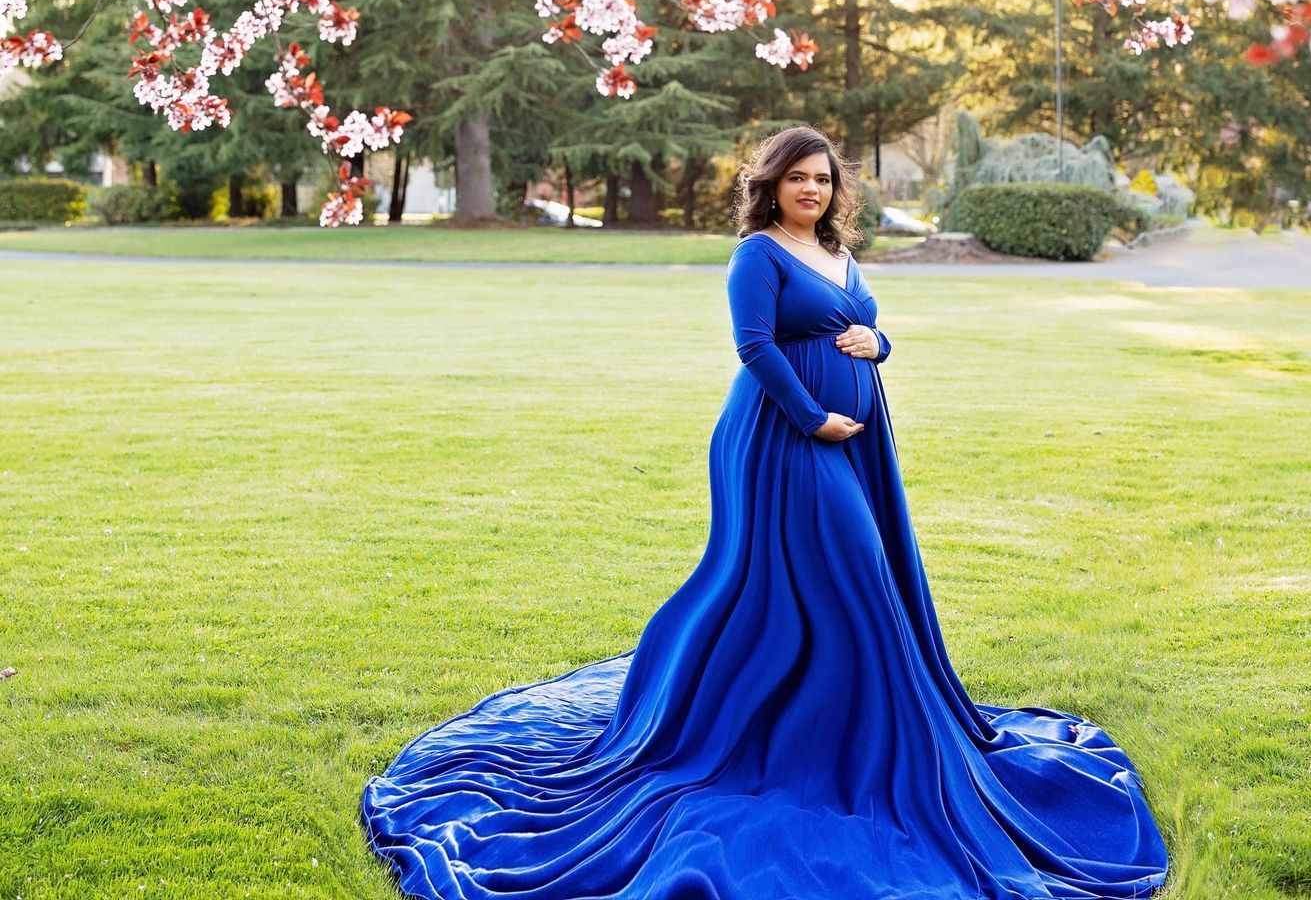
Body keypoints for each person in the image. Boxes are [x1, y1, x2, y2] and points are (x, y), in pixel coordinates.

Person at [361, 123, 1168, 899]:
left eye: (822, 179)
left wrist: (877, 348)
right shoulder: (757, 254)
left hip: (855, 441)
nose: (812, 190)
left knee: (840, 577)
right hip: (783, 438)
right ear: (771, 187)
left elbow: (870, 323)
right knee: (846, 568)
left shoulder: (836, 251)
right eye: (798, 179)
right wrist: (813, 416)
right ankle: (793, 737)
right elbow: (755, 348)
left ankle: (834, 715)